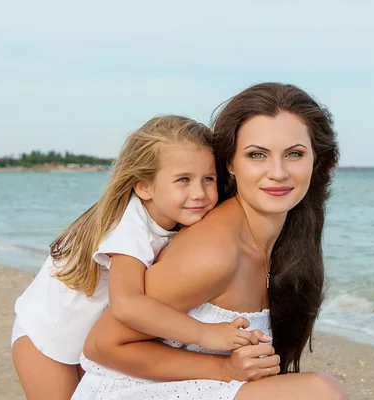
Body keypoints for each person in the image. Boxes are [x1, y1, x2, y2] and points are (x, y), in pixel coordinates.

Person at [72, 82, 346, 399]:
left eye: (294, 154)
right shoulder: (214, 251)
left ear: (317, 159)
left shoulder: (288, 236)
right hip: (129, 391)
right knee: (319, 392)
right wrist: (222, 370)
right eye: (257, 155)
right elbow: (102, 346)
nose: (278, 172)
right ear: (230, 163)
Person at [12, 115, 266, 400]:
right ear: (144, 186)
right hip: (46, 340)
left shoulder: (175, 218)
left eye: (208, 179)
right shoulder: (129, 229)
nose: (199, 193)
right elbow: (128, 305)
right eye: (183, 180)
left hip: (84, 340)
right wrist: (203, 334)